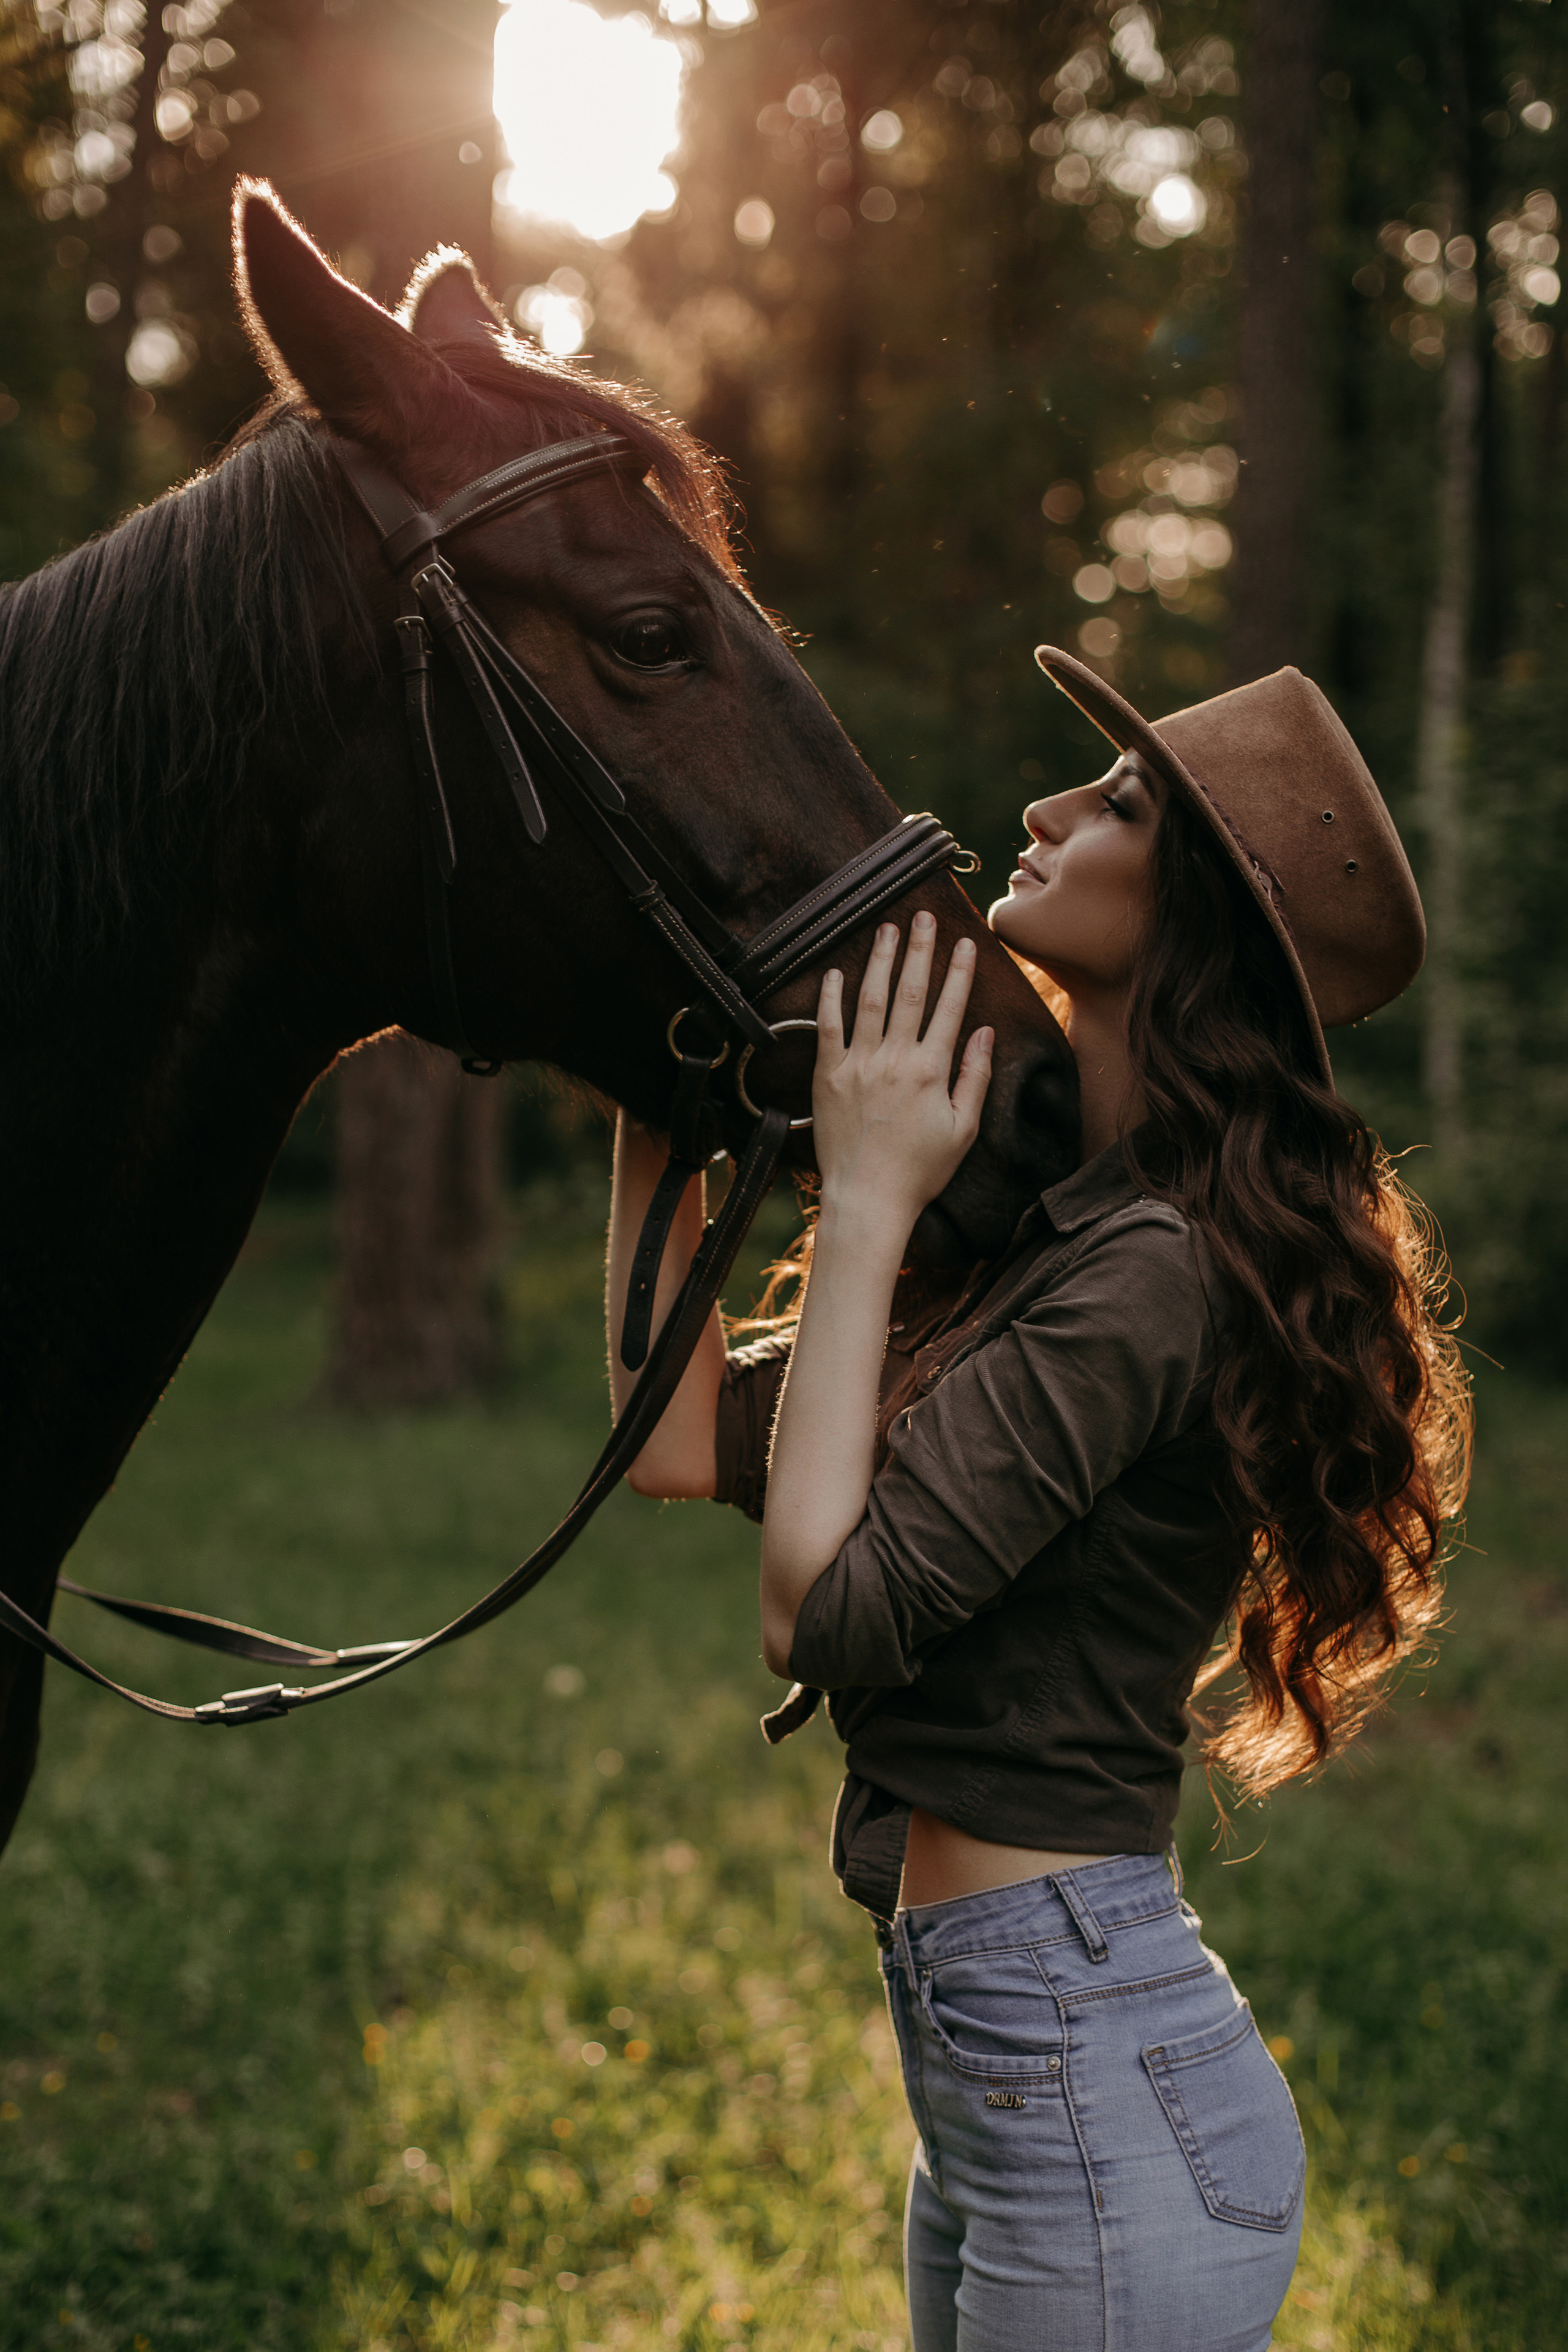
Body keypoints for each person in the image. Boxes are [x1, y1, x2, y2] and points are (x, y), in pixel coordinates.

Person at [603, 652, 1471, 2351]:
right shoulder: (1076, 1235)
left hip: (1087, 2080)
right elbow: (682, 1436)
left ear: (1202, 917)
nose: (1045, 810)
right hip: (1032, 2072)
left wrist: (863, 1204)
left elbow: (817, 1610)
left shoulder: (1155, 1273)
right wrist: (658, 1091)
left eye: (1122, 805)